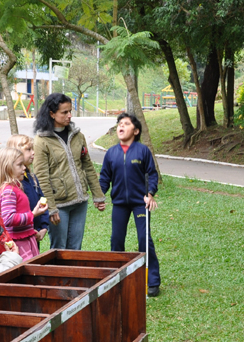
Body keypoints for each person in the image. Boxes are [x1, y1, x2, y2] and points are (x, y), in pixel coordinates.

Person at [98, 112, 161, 297]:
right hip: (119, 204)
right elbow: (104, 178)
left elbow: (152, 174)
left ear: (136, 130)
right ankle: (116, 279)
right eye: (119, 123)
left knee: (144, 239)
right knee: (116, 240)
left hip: (140, 203)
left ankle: (152, 281)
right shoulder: (111, 153)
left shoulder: (142, 151)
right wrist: (100, 197)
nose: (121, 126)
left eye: (126, 123)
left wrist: (150, 194)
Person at [32, 93, 105, 250]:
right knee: (59, 249)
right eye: (64, 112)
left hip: (80, 202)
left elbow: (88, 166)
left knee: (75, 248)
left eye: (70, 111)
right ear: (52, 114)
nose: (69, 116)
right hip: (59, 205)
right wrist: (51, 208)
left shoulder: (78, 136)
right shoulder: (41, 140)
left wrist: (98, 195)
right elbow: (41, 177)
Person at [0, 146, 47, 260]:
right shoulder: (8, 190)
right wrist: (33, 214)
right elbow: (9, 219)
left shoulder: (15, 187)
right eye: (19, 165)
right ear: (8, 167)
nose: (24, 168)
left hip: (25, 239)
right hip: (19, 243)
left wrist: (31, 231)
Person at [6, 134, 49, 247]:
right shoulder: (12, 185)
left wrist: (43, 227)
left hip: (35, 233)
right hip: (20, 237)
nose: (33, 152)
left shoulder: (31, 177)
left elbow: (42, 200)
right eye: (28, 149)